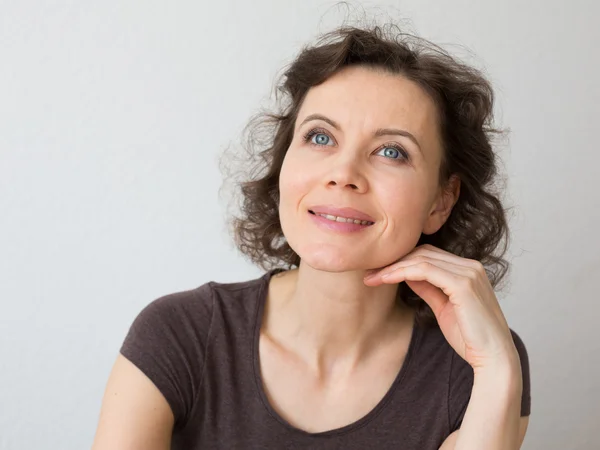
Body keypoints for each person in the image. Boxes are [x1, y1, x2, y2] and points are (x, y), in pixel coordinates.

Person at [92, 22, 531, 450]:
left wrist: (496, 370)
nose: (343, 174)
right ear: (284, 164)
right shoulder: (179, 333)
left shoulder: (478, 367)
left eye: (392, 151)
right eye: (320, 137)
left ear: (441, 200)